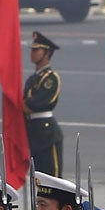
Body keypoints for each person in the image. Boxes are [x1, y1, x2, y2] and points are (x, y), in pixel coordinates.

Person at [24, 32, 64, 179]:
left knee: (52, 179)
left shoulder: (51, 78)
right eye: (32, 50)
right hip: (33, 131)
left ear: (46, 53)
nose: (32, 53)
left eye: (36, 50)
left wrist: (24, 105)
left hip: (46, 132)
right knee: (39, 179)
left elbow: (34, 104)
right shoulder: (33, 78)